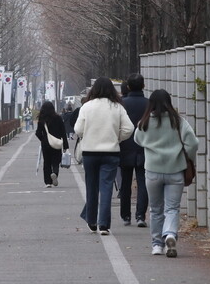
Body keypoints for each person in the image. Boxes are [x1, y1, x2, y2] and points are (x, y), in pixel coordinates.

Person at [134, 89, 198, 257]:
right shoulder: (178, 121)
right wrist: (187, 158)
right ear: (169, 102)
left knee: (155, 209)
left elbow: (137, 139)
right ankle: (170, 233)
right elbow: (193, 143)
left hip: (153, 171)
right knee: (172, 208)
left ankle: (157, 245)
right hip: (175, 171)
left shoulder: (145, 122)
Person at [74, 77, 134, 235]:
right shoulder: (117, 107)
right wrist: (117, 137)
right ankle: (104, 224)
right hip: (111, 152)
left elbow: (78, 129)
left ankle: (91, 220)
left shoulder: (87, 106)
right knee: (106, 188)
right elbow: (129, 128)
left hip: (90, 153)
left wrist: (88, 135)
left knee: (91, 187)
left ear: (94, 89)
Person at [119, 74, 149, 227]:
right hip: (144, 147)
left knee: (125, 182)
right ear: (143, 86)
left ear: (128, 87)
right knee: (143, 182)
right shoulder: (149, 104)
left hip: (125, 147)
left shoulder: (122, 104)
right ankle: (140, 216)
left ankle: (126, 216)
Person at [35, 101, 69, 188]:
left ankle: (48, 182)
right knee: (56, 161)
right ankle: (55, 173)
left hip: (46, 144)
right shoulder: (58, 118)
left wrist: (43, 140)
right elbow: (63, 132)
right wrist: (65, 145)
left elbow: (38, 133)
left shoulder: (42, 119)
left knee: (47, 163)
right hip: (56, 143)